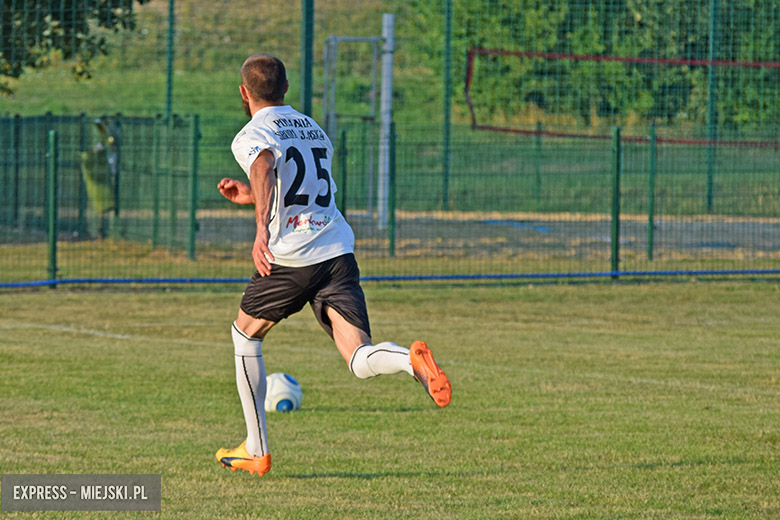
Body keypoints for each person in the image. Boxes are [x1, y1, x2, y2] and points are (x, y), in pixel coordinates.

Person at [214, 53, 452, 476]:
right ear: (286, 88)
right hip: (336, 252)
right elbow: (300, 186)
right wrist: (251, 195)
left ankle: (256, 448)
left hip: (290, 257)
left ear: (243, 93)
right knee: (359, 357)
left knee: (245, 335)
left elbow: (266, 166)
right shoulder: (312, 127)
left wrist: (261, 229)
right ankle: (409, 361)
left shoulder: (252, 132)